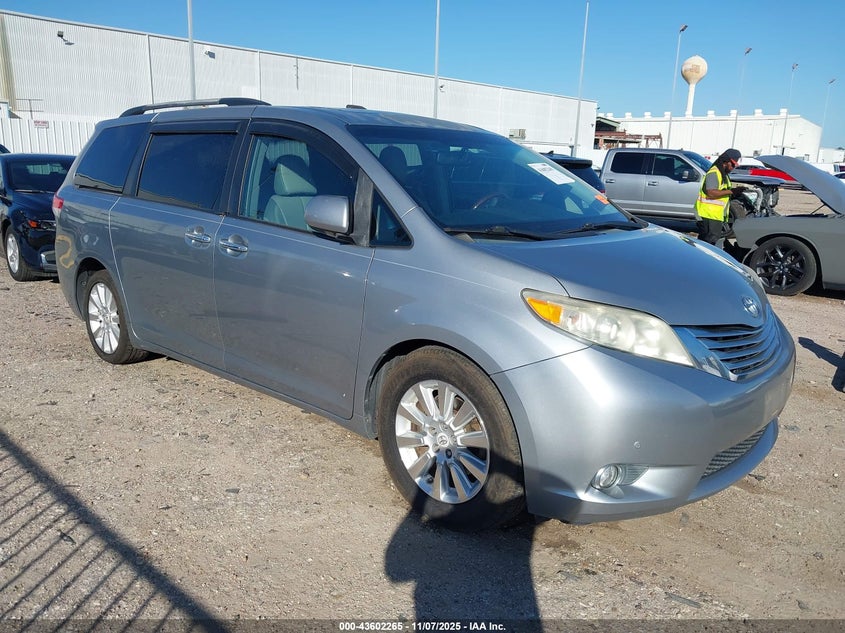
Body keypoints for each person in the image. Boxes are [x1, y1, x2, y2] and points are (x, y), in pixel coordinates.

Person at [694, 148, 745, 246]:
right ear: (725, 161)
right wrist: (731, 191)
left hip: (713, 214)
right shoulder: (714, 173)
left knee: (707, 242)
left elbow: (721, 192)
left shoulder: (723, 174)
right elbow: (711, 193)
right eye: (733, 164)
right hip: (708, 214)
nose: (733, 167)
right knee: (708, 243)